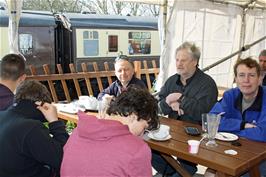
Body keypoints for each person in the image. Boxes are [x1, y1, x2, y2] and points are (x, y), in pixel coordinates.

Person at [60, 86, 159, 177]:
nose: (141, 135)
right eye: (144, 128)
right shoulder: (138, 149)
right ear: (133, 116)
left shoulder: (77, 131)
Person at [152, 42, 218, 177]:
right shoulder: (171, 81)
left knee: (186, 161)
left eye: (183, 60)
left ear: (194, 61)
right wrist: (169, 100)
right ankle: (172, 171)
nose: (179, 64)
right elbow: (158, 107)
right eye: (177, 60)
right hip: (171, 132)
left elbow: (205, 112)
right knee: (149, 148)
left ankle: (183, 171)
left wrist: (181, 99)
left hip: (197, 136)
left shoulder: (207, 84)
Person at [209, 57, 266, 176]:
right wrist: (242, 125)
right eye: (241, 75)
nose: (246, 80)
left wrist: (230, 134)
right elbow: (212, 120)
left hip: (260, 157)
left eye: (251, 75)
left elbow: (263, 133)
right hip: (233, 151)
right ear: (235, 79)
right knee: (211, 173)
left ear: (260, 78)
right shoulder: (231, 95)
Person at [0, 80, 69, 177]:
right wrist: (54, 122)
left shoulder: (2, 115)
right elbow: (65, 160)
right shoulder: (30, 127)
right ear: (41, 104)